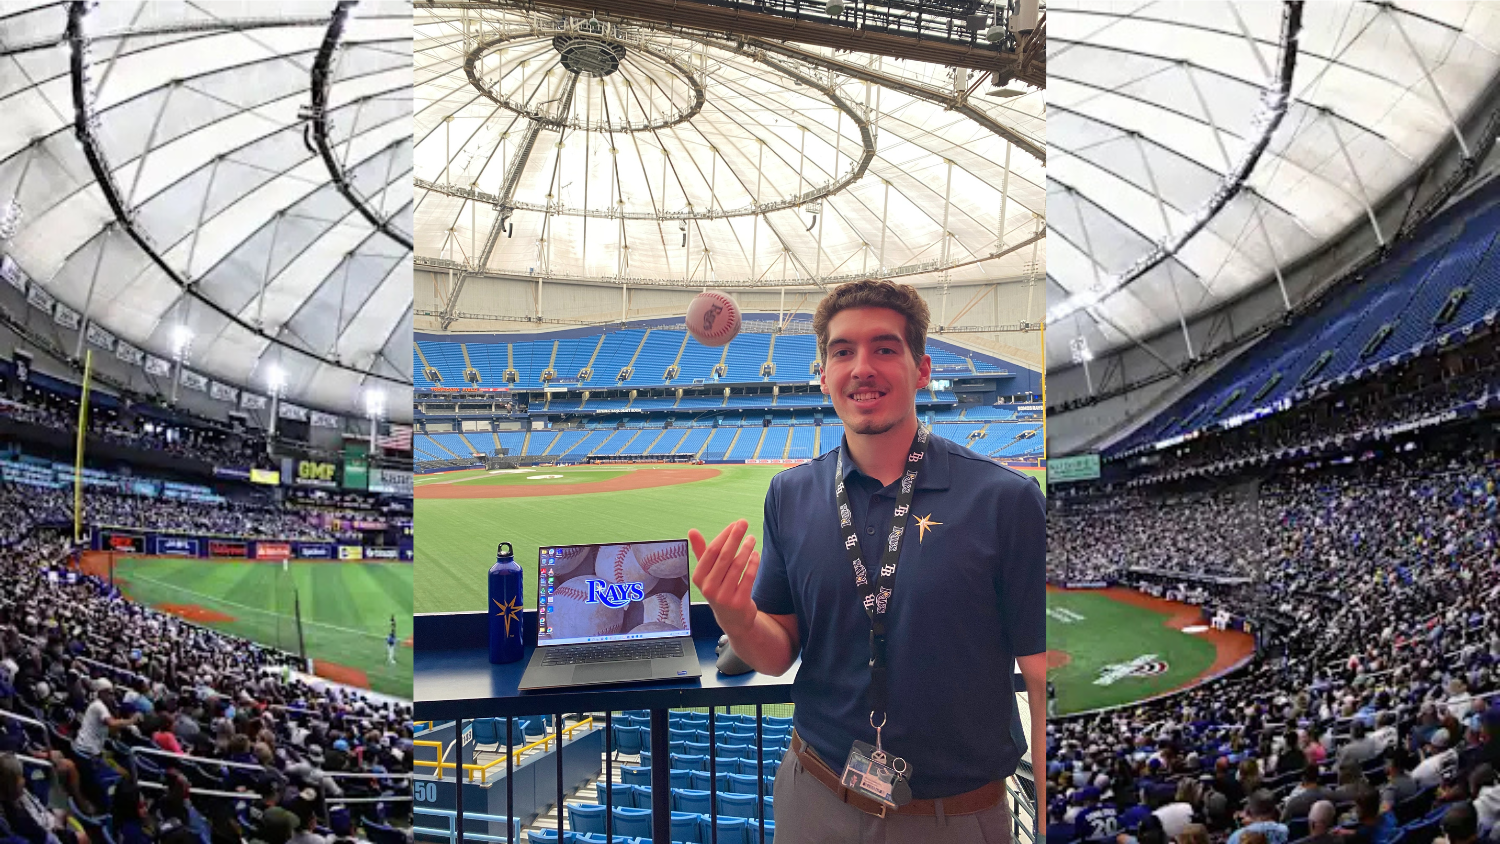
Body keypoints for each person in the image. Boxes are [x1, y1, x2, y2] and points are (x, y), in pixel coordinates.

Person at [690, 279, 1045, 843]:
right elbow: (778, 651)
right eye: (842, 351)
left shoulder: (1006, 500)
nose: (862, 367)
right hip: (815, 795)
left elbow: (1046, 677)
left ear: (921, 369)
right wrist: (736, 617)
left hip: (952, 818)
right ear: (825, 373)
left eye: (885, 348)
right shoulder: (790, 495)